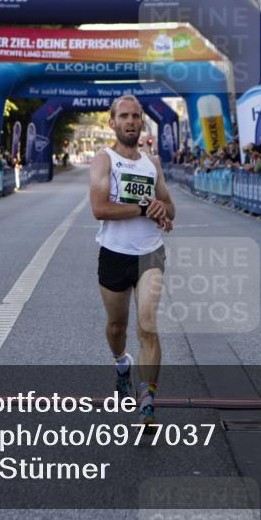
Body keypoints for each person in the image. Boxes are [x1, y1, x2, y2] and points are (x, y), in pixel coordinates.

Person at [90, 95, 175, 426]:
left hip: (150, 253)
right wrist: (143, 208)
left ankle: (148, 399)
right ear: (112, 123)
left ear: (142, 122)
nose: (130, 121)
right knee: (117, 327)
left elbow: (170, 210)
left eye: (135, 116)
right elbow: (100, 209)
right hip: (113, 254)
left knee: (148, 326)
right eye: (123, 116)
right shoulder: (103, 160)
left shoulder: (152, 164)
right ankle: (120, 363)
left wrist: (161, 210)